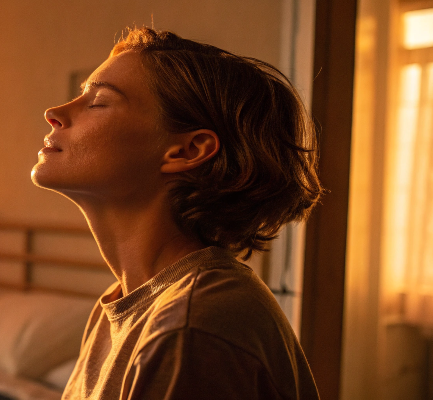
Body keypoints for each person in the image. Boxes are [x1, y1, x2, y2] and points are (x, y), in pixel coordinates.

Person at [31, 27, 322, 400]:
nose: (53, 113)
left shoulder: (192, 328)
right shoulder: (124, 302)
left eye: (98, 101)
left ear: (186, 151)